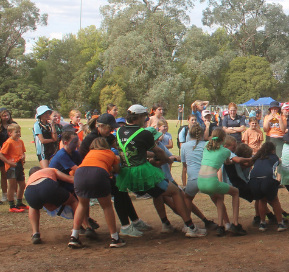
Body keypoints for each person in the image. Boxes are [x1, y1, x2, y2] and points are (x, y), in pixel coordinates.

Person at [116, 104, 206, 237]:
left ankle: (166, 224)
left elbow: (133, 150)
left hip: (126, 173)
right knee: (175, 191)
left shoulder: (119, 131)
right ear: (139, 117)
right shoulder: (143, 133)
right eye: (145, 117)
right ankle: (190, 227)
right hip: (143, 172)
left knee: (157, 194)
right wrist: (168, 159)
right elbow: (158, 151)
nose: (146, 119)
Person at [70, 137, 126, 248]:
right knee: (106, 206)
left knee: (82, 205)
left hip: (80, 173)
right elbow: (117, 170)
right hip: (98, 173)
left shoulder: (90, 153)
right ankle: (115, 238)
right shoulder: (110, 153)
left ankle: (74, 237)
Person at [197, 127, 245, 235]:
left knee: (219, 197)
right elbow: (228, 163)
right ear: (224, 138)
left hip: (200, 181)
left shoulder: (206, 146)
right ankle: (235, 224)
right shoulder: (225, 151)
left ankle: (220, 226)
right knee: (235, 192)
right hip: (211, 181)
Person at [25, 166, 80, 245]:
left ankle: (35, 233)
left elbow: (50, 208)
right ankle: (78, 229)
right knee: (73, 201)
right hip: (47, 185)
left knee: (33, 206)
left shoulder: (30, 180)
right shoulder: (50, 170)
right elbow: (70, 179)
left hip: (29, 191)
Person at [248, 142, 285, 233]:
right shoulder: (274, 157)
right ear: (272, 150)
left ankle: (262, 223)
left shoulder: (256, 158)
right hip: (267, 180)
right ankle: (280, 223)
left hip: (253, 181)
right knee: (275, 200)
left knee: (262, 200)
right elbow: (278, 162)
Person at [0, 123, 27, 212]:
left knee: (22, 184)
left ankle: (19, 202)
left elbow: (23, 152)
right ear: (10, 133)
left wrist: (23, 157)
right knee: (12, 185)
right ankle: (12, 205)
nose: (18, 134)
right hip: (12, 166)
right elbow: (1, 155)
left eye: (19, 132)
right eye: (16, 132)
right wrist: (8, 163)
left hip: (19, 165)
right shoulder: (8, 142)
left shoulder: (20, 141)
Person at [0, 107, 18, 203]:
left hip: (13, 153)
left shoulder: (13, 125)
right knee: (3, 174)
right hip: (2, 152)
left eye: (8, 115)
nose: (6, 117)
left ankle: (14, 193)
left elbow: (18, 137)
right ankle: (4, 194)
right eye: (4, 116)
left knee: (13, 174)